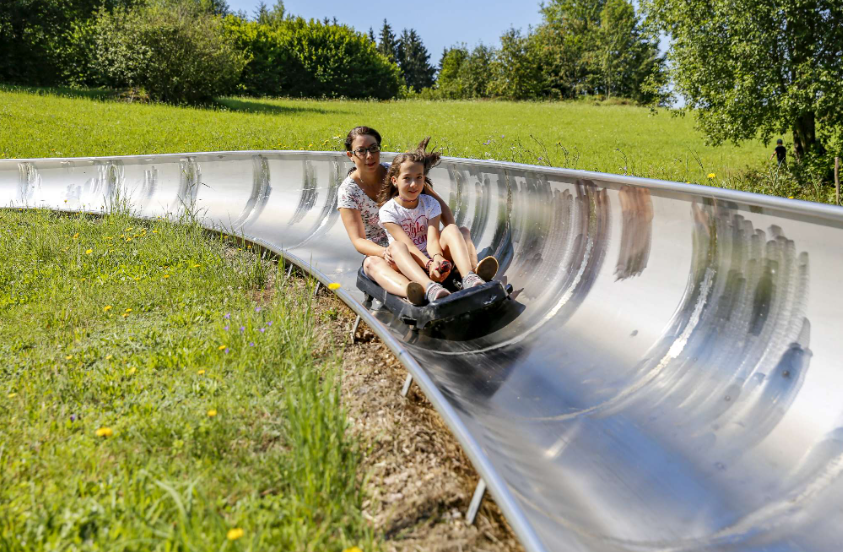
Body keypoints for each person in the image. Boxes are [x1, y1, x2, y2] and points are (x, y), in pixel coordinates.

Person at [337, 126, 485, 304]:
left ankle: (472, 273)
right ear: (350, 155)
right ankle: (416, 289)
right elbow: (358, 241)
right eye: (361, 151)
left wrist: (447, 239)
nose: (369, 156)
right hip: (387, 251)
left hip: (424, 244)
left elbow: (439, 206)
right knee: (372, 264)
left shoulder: (399, 171)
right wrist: (384, 252)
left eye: (373, 148)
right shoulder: (348, 191)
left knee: (460, 232)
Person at [377, 138, 498, 304]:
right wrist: (429, 265)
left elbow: (432, 239)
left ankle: (468, 276)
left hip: (432, 259)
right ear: (395, 181)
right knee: (397, 246)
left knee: (452, 229)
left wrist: (437, 258)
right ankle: (430, 288)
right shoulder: (388, 211)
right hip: (409, 263)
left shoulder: (430, 204)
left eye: (419, 177)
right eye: (407, 178)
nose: (414, 184)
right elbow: (409, 246)